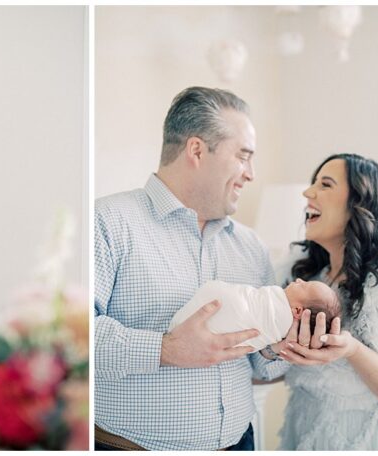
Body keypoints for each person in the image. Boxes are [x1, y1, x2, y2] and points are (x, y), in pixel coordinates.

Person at [94, 87, 293, 450]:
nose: (251, 174)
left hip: (241, 443)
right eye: (243, 156)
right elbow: (73, 340)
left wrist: (278, 346)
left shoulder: (252, 246)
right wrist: (165, 349)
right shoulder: (107, 223)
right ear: (197, 150)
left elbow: (266, 369)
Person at [275, 154, 378, 450]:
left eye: (325, 184)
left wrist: (353, 350)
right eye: (312, 184)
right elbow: (273, 371)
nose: (308, 193)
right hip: (306, 434)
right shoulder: (302, 278)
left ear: (359, 203)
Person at [169, 278, 340, 352]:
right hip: (185, 337)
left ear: (297, 311)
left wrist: (274, 351)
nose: (299, 280)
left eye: (304, 286)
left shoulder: (280, 314)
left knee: (233, 305)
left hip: (233, 313)